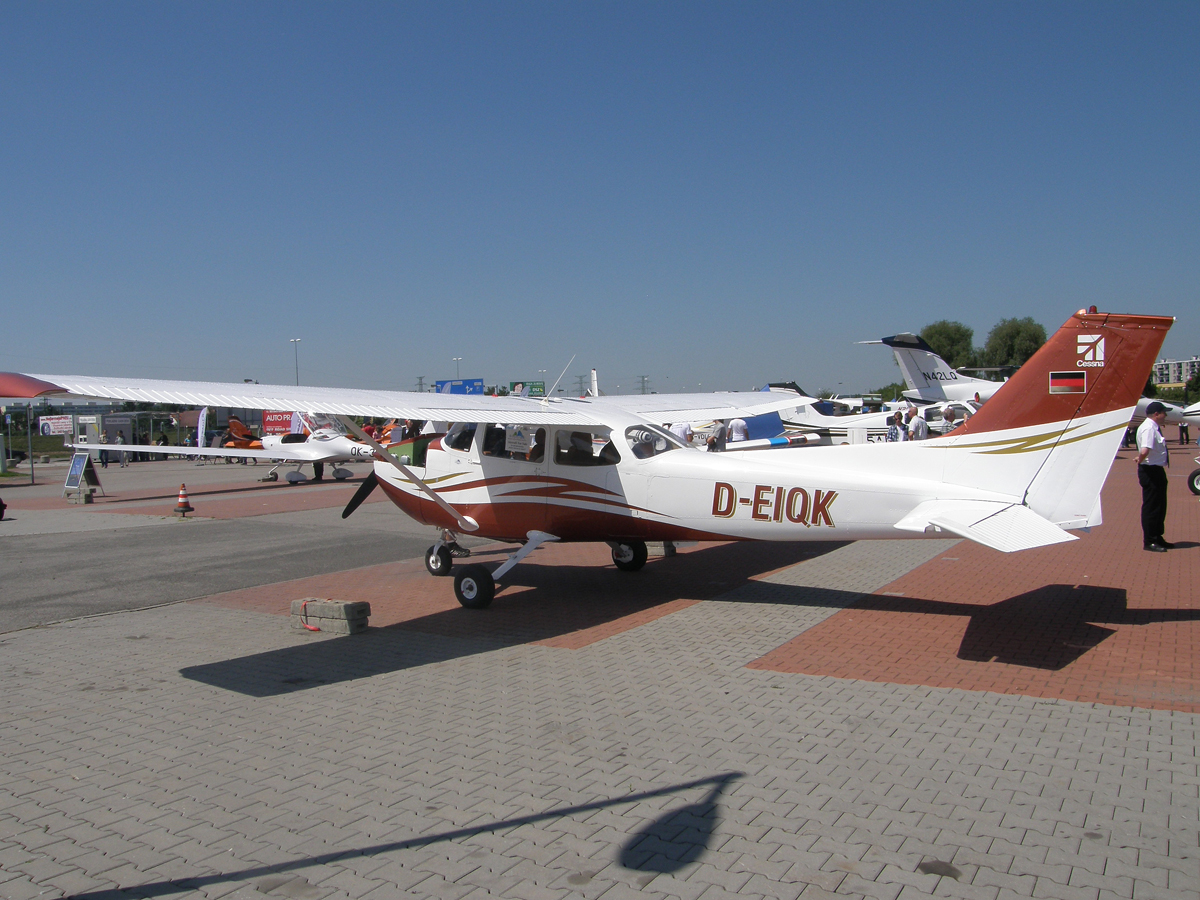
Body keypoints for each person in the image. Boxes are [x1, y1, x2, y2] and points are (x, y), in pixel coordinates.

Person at [1136, 401, 1172, 552]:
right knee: (1152, 507)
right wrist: (1140, 459)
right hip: (1150, 470)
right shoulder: (1149, 428)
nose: (1166, 415)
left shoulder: (1153, 427)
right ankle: (1149, 540)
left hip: (1156, 470)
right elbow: (1145, 449)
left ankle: (1157, 536)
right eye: (1164, 412)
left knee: (1160, 505)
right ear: (1156, 414)